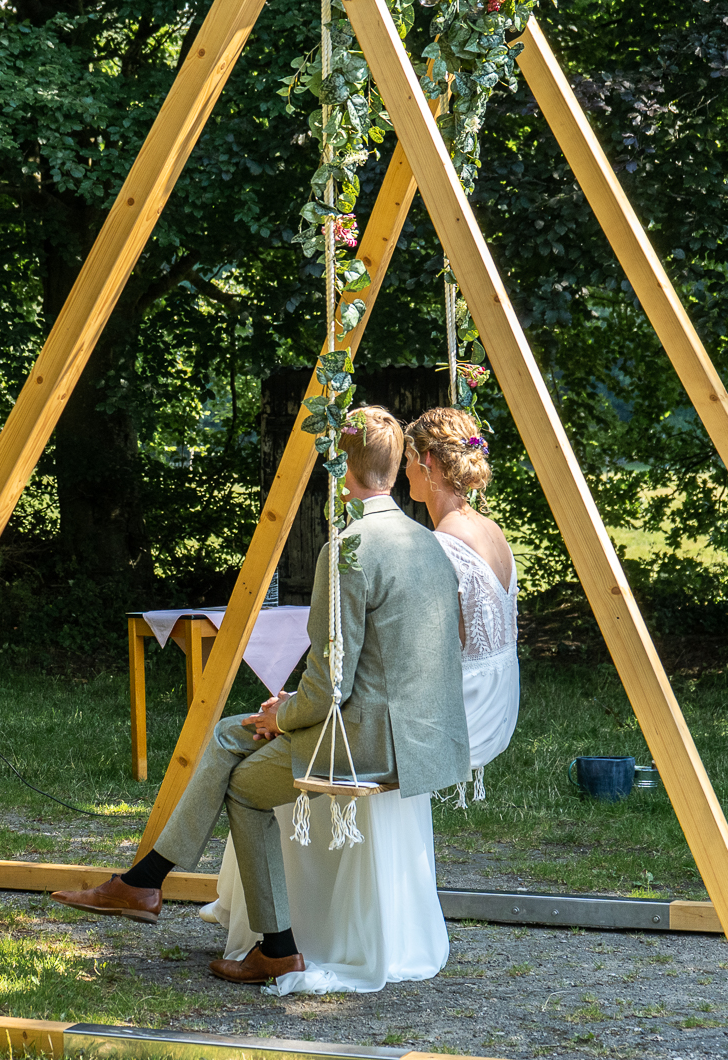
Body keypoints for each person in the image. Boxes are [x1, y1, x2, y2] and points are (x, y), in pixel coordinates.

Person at [50, 406, 470, 984]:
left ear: (338, 470)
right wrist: (288, 709)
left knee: (244, 789)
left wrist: (286, 714)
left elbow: (330, 691)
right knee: (229, 734)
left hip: (368, 739)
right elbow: (377, 664)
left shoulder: (347, 551)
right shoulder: (429, 545)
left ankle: (267, 942)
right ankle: (143, 882)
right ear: (396, 472)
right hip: (423, 734)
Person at [404, 408, 519, 794]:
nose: (404, 473)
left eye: (408, 460)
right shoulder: (491, 529)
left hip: (470, 712)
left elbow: (428, 653)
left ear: (428, 463)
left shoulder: (442, 545)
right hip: (502, 699)